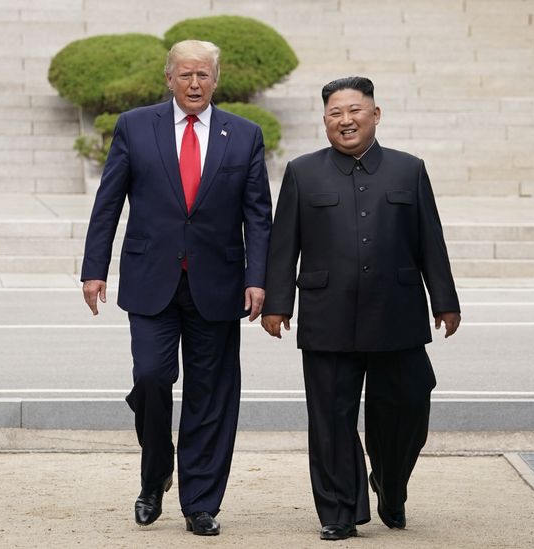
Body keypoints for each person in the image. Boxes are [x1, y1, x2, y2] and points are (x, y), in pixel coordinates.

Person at [81, 40, 272, 536]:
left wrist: (258, 279)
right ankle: (156, 470)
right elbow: (109, 203)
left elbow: (258, 215)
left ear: (215, 79)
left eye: (203, 75)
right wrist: (93, 268)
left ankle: (200, 503)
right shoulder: (134, 126)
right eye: (185, 75)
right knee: (150, 378)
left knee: (211, 395)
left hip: (218, 282)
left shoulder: (244, 135)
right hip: (151, 279)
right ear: (168, 78)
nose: (194, 84)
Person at [261, 76, 461, 541]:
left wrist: (445, 300)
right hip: (326, 314)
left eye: (354, 110)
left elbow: (430, 239)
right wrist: (276, 303)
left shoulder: (408, 170)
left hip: (398, 314)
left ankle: (391, 483)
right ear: (325, 120)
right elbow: (283, 243)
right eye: (335, 113)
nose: (345, 120)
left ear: (375, 114)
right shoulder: (302, 172)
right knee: (330, 419)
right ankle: (338, 510)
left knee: (410, 403)